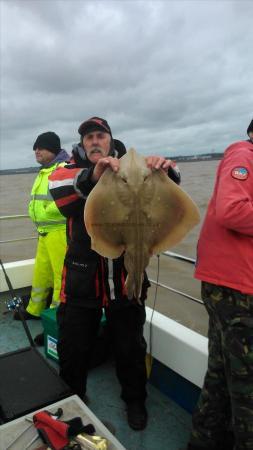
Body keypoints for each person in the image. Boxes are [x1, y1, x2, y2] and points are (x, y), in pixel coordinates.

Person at [48, 116, 181, 431]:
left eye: (100, 136)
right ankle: (73, 399)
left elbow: (175, 186)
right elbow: (61, 192)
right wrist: (93, 175)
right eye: (88, 138)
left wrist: (167, 171)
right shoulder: (68, 171)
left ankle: (134, 401)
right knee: (74, 348)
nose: (94, 141)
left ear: (110, 140)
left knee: (130, 347)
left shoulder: (132, 169)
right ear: (81, 145)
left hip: (125, 279)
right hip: (82, 282)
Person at [185, 122, 253, 450]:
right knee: (247, 385)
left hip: (227, 284)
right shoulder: (244, 153)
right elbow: (232, 210)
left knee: (221, 370)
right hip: (236, 289)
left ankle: (204, 439)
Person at [14, 132, 69, 331]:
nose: (36, 151)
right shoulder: (44, 171)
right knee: (41, 273)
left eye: (41, 148)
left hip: (59, 232)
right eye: (35, 148)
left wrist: (46, 212)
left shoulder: (63, 169)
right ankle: (34, 310)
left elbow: (68, 200)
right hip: (44, 232)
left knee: (59, 278)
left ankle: (54, 319)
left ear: (53, 149)